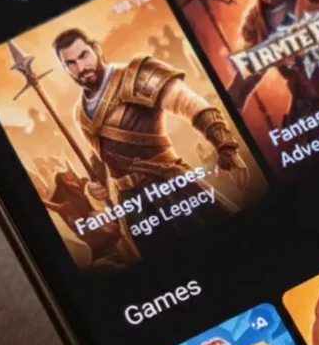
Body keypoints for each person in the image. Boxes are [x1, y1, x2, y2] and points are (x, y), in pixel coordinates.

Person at [52, 28, 249, 229]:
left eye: (84, 55)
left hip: (171, 185)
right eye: (71, 63)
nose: (81, 67)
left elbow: (192, 106)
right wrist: (97, 183)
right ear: (65, 68)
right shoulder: (79, 112)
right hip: (133, 206)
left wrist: (226, 147)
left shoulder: (136, 76)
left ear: (96, 49)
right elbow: (100, 152)